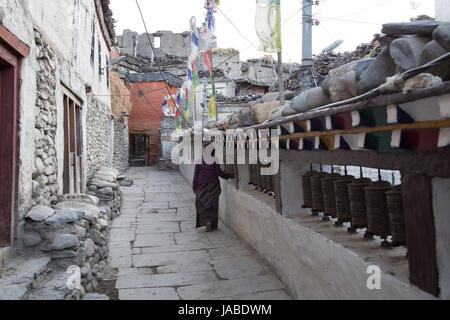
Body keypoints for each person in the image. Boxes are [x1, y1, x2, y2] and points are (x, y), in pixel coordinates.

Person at [192, 144, 234, 232]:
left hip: (201, 186)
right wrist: (228, 175)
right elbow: (219, 172)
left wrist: (194, 187)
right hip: (213, 186)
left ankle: (206, 221)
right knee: (213, 205)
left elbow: (195, 176)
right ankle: (211, 222)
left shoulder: (199, 160)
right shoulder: (215, 160)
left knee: (201, 205)